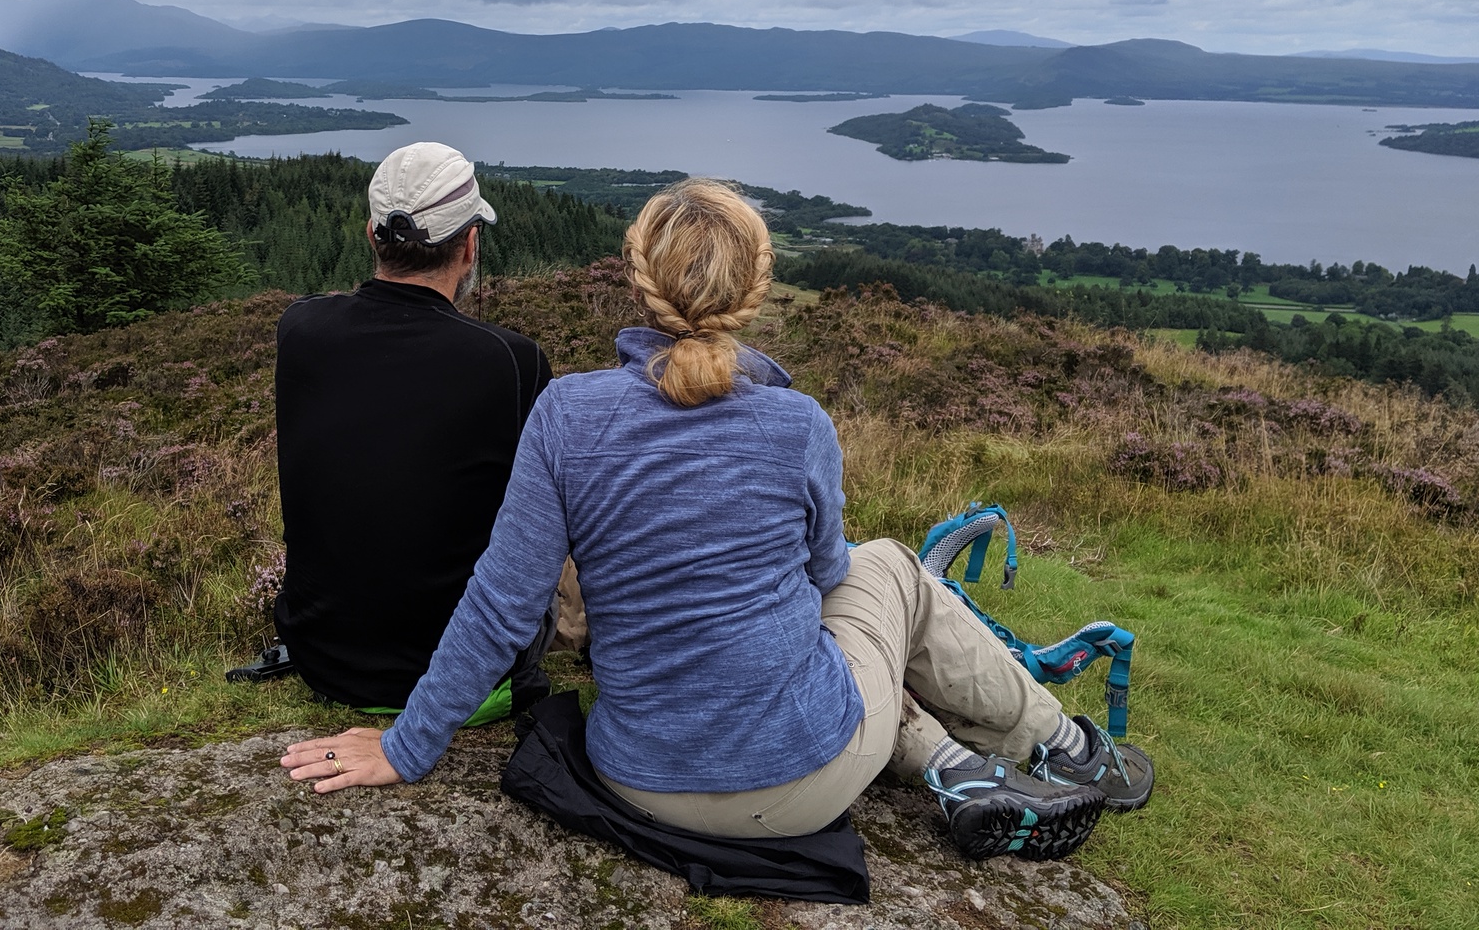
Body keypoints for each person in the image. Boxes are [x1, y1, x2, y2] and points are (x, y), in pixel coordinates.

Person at [282, 178, 1152, 862]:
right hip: (809, 781)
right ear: (757, 289)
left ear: (638, 279)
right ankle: (1067, 748)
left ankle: (955, 765)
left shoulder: (564, 415)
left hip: (641, 780)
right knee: (887, 565)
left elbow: (502, 603)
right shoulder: (798, 422)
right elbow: (823, 576)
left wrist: (407, 745)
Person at [267, 141, 555, 722]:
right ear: (471, 244)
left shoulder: (299, 328)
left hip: (323, 662)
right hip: (465, 682)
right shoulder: (511, 360)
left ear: (372, 234)